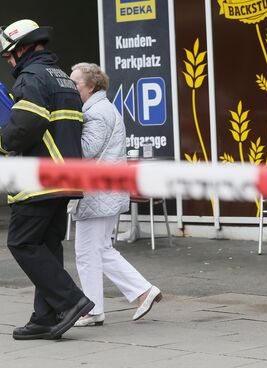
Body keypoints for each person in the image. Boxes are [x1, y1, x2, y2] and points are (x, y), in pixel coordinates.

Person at [0, 19, 94, 340]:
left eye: (9, 54)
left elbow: (29, 121)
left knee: (21, 242)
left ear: (23, 48)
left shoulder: (31, 77)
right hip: (65, 177)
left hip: (40, 179)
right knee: (46, 246)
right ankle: (45, 318)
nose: (8, 60)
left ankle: (71, 300)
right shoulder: (61, 78)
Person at [69, 63, 162, 327]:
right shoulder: (102, 108)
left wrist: (67, 128)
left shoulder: (96, 113)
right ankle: (139, 292)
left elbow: (87, 150)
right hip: (106, 191)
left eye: (75, 83)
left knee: (87, 252)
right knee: (100, 250)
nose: (71, 87)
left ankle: (95, 308)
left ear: (91, 86)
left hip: (98, 193)